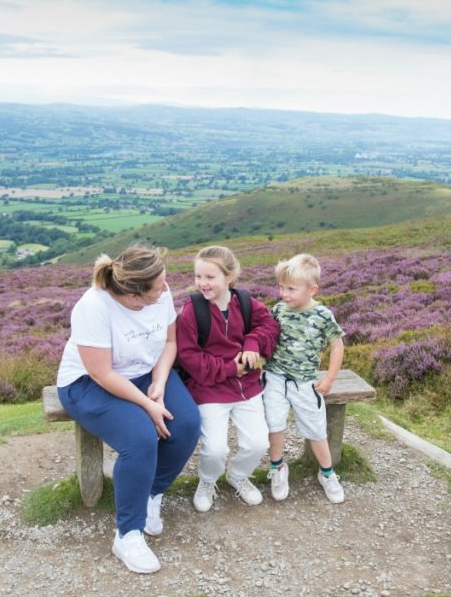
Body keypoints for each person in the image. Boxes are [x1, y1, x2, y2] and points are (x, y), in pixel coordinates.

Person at [56, 244, 200, 574]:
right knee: (139, 439)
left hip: (146, 372)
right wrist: (147, 404)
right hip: (88, 383)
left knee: (188, 424)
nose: (166, 288)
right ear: (134, 295)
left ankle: (151, 494)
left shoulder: (160, 294)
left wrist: (160, 384)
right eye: (159, 285)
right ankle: (128, 534)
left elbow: (170, 343)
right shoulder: (93, 305)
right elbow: (100, 372)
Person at [176, 245, 280, 511]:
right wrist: (229, 369)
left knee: (258, 443)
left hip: (248, 387)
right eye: (198, 276)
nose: (202, 283)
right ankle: (207, 481)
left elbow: (268, 325)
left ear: (229, 277)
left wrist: (253, 344)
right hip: (209, 389)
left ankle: (238, 476)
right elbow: (189, 356)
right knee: (215, 449)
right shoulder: (192, 310)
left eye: (210, 277)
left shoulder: (245, 302)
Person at [262, 253, 346, 504]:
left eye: (291, 289)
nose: (284, 294)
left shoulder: (323, 315)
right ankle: (278, 468)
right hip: (275, 378)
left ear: (312, 289)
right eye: (281, 287)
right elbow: (266, 338)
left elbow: (337, 346)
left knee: (316, 429)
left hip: (306, 382)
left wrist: (329, 379)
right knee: (274, 424)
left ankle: (328, 474)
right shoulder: (278, 310)